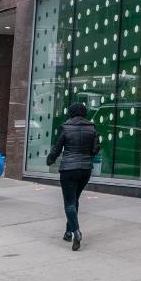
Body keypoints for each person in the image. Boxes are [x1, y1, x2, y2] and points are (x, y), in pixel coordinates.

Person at [46, 102, 99, 251]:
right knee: (74, 199)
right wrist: (87, 156)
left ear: (71, 112)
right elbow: (96, 148)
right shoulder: (92, 127)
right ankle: (68, 232)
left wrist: (50, 159)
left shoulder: (65, 127)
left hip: (69, 169)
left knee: (69, 203)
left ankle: (76, 232)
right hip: (85, 169)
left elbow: (57, 148)